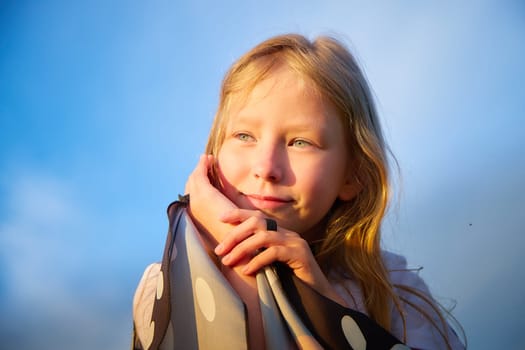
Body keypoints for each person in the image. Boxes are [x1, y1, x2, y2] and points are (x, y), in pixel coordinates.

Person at [132, 33, 465, 349]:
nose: (266, 168)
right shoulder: (161, 288)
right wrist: (225, 233)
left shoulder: (395, 293)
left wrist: (318, 299)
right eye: (245, 136)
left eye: (300, 142)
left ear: (353, 176)